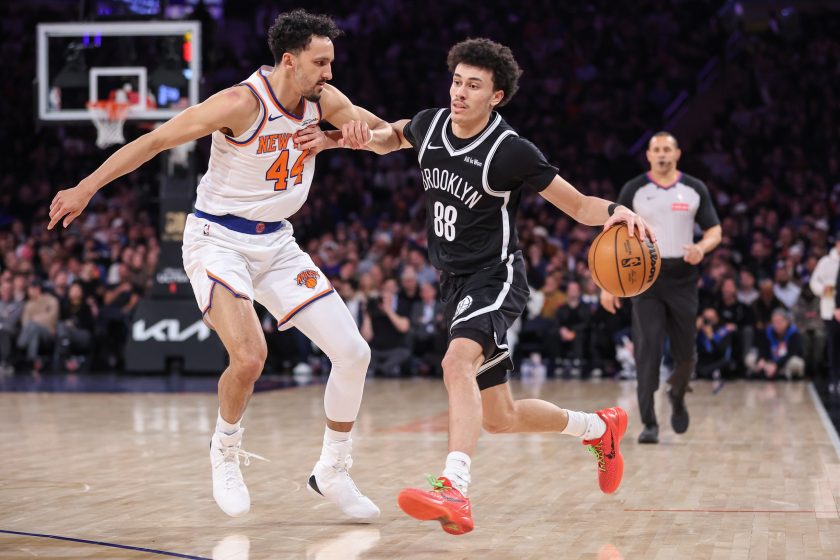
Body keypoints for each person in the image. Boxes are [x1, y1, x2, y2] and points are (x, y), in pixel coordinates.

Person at [47, 9, 395, 521]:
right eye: (321, 63)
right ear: (290, 60)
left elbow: (386, 139)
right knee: (251, 357)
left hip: (278, 245)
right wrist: (86, 187)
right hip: (217, 240)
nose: (329, 73)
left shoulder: (325, 100)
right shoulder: (240, 102)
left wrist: (341, 137)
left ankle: (333, 471)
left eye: (331, 63)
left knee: (353, 352)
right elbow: (155, 141)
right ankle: (225, 448)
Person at [331, 38, 655, 535]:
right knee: (498, 417)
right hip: (453, 282)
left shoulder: (511, 152)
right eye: (457, 81)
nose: (459, 92)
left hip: (497, 276)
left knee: (455, 362)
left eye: (474, 86)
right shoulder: (431, 124)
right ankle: (599, 427)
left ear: (496, 96)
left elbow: (578, 206)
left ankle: (454, 488)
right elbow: (388, 137)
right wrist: (353, 136)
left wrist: (619, 211)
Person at [601, 131, 721, 444]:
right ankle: (649, 423)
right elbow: (610, 236)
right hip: (645, 279)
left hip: (683, 276)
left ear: (678, 154)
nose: (663, 154)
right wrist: (607, 284)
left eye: (668, 149)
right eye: (657, 149)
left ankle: (677, 394)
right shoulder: (634, 189)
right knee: (647, 350)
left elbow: (715, 230)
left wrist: (702, 248)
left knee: (686, 355)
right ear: (649, 155)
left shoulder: (694, 188)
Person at [809, 236, 840, 392]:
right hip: (829, 307)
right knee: (834, 344)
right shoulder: (826, 262)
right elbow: (814, 281)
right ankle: (834, 378)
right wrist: (822, 289)